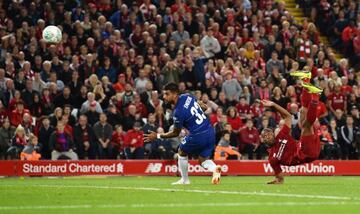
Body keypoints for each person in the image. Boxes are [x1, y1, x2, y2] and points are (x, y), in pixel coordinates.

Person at [144, 83, 221, 185]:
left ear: (175, 94)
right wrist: (201, 109)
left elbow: (176, 132)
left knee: (181, 151)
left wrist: (157, 136)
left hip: (198, 135)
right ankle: (215, 168)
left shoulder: (178, 112)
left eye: (167, 94)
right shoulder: (187, 96)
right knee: (202, 160)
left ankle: (185, 180)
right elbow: (202, 106)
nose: (164, 97)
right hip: (210, 132)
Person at [260, 80, 323, 184]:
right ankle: (315, 96)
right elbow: (280, 178)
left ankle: (306, 83)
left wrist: (273, 105)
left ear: (273, 134)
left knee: (303, 111)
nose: (267, 137)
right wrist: (277, 181)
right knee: (306, 126)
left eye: (268, 134)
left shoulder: (281, 135)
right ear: (263, 140)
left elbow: (288, 116)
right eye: (265, 136)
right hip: (306, 153)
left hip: (305, 147)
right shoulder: (272, 159)